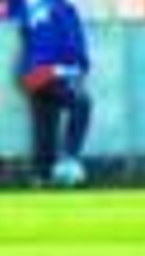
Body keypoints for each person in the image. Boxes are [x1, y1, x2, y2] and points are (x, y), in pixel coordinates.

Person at [10, 0, 92, 188]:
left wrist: (67, 68)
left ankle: (48, 170)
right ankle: (62, 163)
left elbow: (75, 45)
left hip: (44, 73)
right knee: (75, 105)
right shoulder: (27, 7)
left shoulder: (58, 8)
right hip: (40, 73)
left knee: (50, 118)